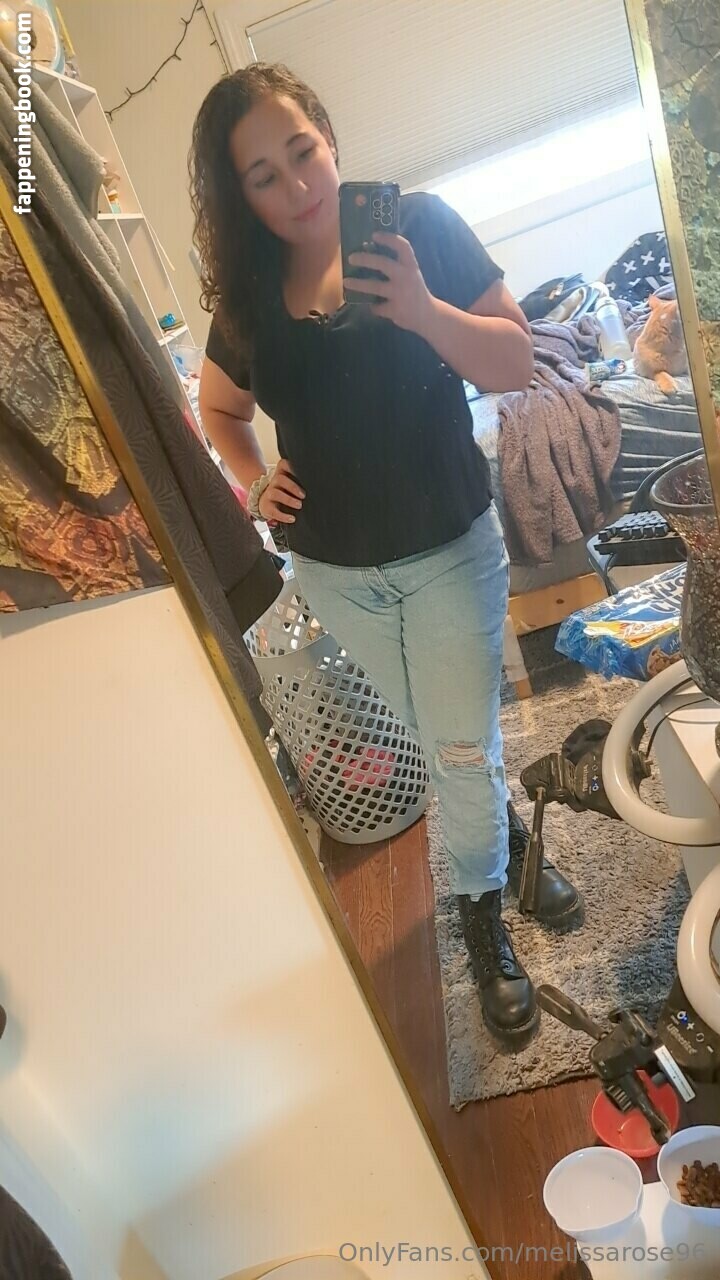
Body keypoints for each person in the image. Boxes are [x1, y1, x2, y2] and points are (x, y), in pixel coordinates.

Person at [192, 63, 582, 1046]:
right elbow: (219, 409)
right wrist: (253, 481)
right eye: (264, 176)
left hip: (450, 544)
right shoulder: (248, 294)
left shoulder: (422, 229)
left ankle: (480, 918)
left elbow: (517, 361)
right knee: (443, 738)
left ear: (330, 137)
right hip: (334, 572)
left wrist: (423, 310)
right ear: (240, 195)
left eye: (304, 152)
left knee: (457, 748)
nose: (297, 186)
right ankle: (509, 841)